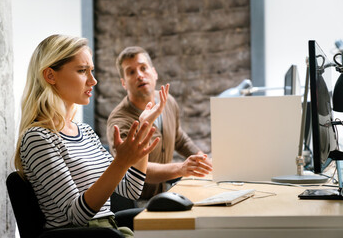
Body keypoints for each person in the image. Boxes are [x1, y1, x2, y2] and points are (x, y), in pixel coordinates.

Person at [13, 34, 169, 237]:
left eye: (92, 71)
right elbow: (77, 214)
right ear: (50, 76)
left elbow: (131, 189)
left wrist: (144, 127)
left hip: (111, 232)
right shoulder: (37, 138)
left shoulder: (84, 132)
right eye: (82, 71)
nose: (93, 81)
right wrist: (120, 162)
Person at [107, 46, 213, 200]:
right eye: (131, 72)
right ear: (123, 83)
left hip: (165, 195)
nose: (139, 75)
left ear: (154, 73)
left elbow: (179, 139)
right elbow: (134, 168)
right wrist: (181, 168)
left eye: (143, 68)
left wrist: (203, 160)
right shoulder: (119, 121)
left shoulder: (167, 102)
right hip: (137, 203)